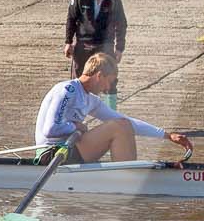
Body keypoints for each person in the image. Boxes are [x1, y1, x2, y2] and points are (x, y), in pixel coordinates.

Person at [33, 53, 191, 164]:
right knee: (118, 127)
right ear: (99, 75)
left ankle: (125, 173)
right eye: (109, 81)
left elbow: (128, 122)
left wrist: (167, 135)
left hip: (68, 149)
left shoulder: (91, 100)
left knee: (123, 123)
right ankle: (126, 178)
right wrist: (76, 126)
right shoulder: (68, 90)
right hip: (51, 154)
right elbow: (50, 129)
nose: (108, 87)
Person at [64, 0, 127, 78]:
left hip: (105, 44)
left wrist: (119, 48)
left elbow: (121, 24)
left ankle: (109, 97)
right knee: (79, 79)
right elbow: (71, 19)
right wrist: (68, 42)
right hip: (83, 44)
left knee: (109, 79)